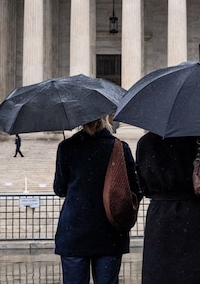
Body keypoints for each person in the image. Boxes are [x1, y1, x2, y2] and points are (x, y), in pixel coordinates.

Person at [53, 117, 141, 284]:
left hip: (74, 231)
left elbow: (59, 189)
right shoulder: (119, 148)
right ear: (104, 118)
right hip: (110, 232)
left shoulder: (67, 147)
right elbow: (136, 189)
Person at [136, 132, 200, 284]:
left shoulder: (145, 142)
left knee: (161, 275)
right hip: (193, 216)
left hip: (160, 218)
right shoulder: (198, 140)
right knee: (197, 274)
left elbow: (143, 187)